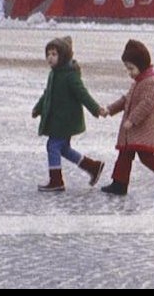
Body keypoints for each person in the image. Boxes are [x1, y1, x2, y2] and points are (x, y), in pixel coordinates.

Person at [103, 40, 154, 196]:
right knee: (125, 154)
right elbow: (126, 99)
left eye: (131, 68)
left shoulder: (149, 82)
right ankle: (119, 184)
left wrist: (132, 120)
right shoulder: (139, 80)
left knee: (146, 157)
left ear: (141, 65)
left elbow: (146, 104)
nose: (129, 72)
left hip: (142, 129)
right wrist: (109, 109)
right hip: (133, 130)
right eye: (127, 69)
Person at [32, 36, 107, 192]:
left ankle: (56, 181)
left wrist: (95, 108)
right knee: (63, 149)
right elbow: (48, 94)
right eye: (48, 54)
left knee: (52, 146)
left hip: (65, 121)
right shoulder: (54, 73)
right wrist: (38, 108)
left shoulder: (70, 75)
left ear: (63, 56)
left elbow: (82, 94)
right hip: (58, 120)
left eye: (54, 54)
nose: (50, 58)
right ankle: (93, 167)